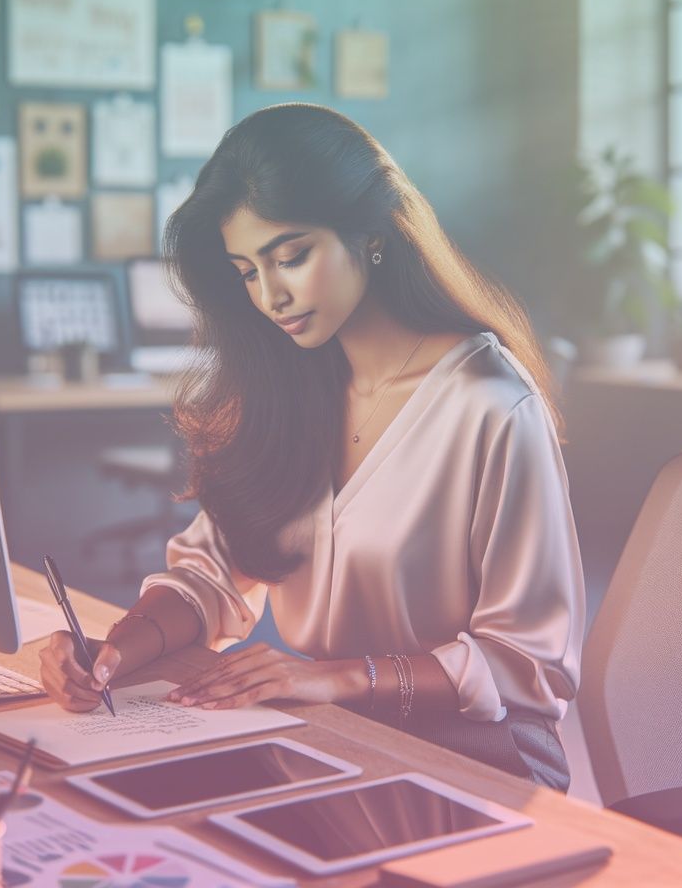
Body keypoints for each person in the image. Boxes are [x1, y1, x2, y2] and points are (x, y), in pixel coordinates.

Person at [38, 103, 584, 789]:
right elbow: (212, 571)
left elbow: (529, 663)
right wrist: (116, 651)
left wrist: (338, 678)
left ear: (372, 234)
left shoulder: (492, 405)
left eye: (291, 257)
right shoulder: (293, 386)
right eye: (247, 271)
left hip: (476, 757)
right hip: (337, 736)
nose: (272, 296)